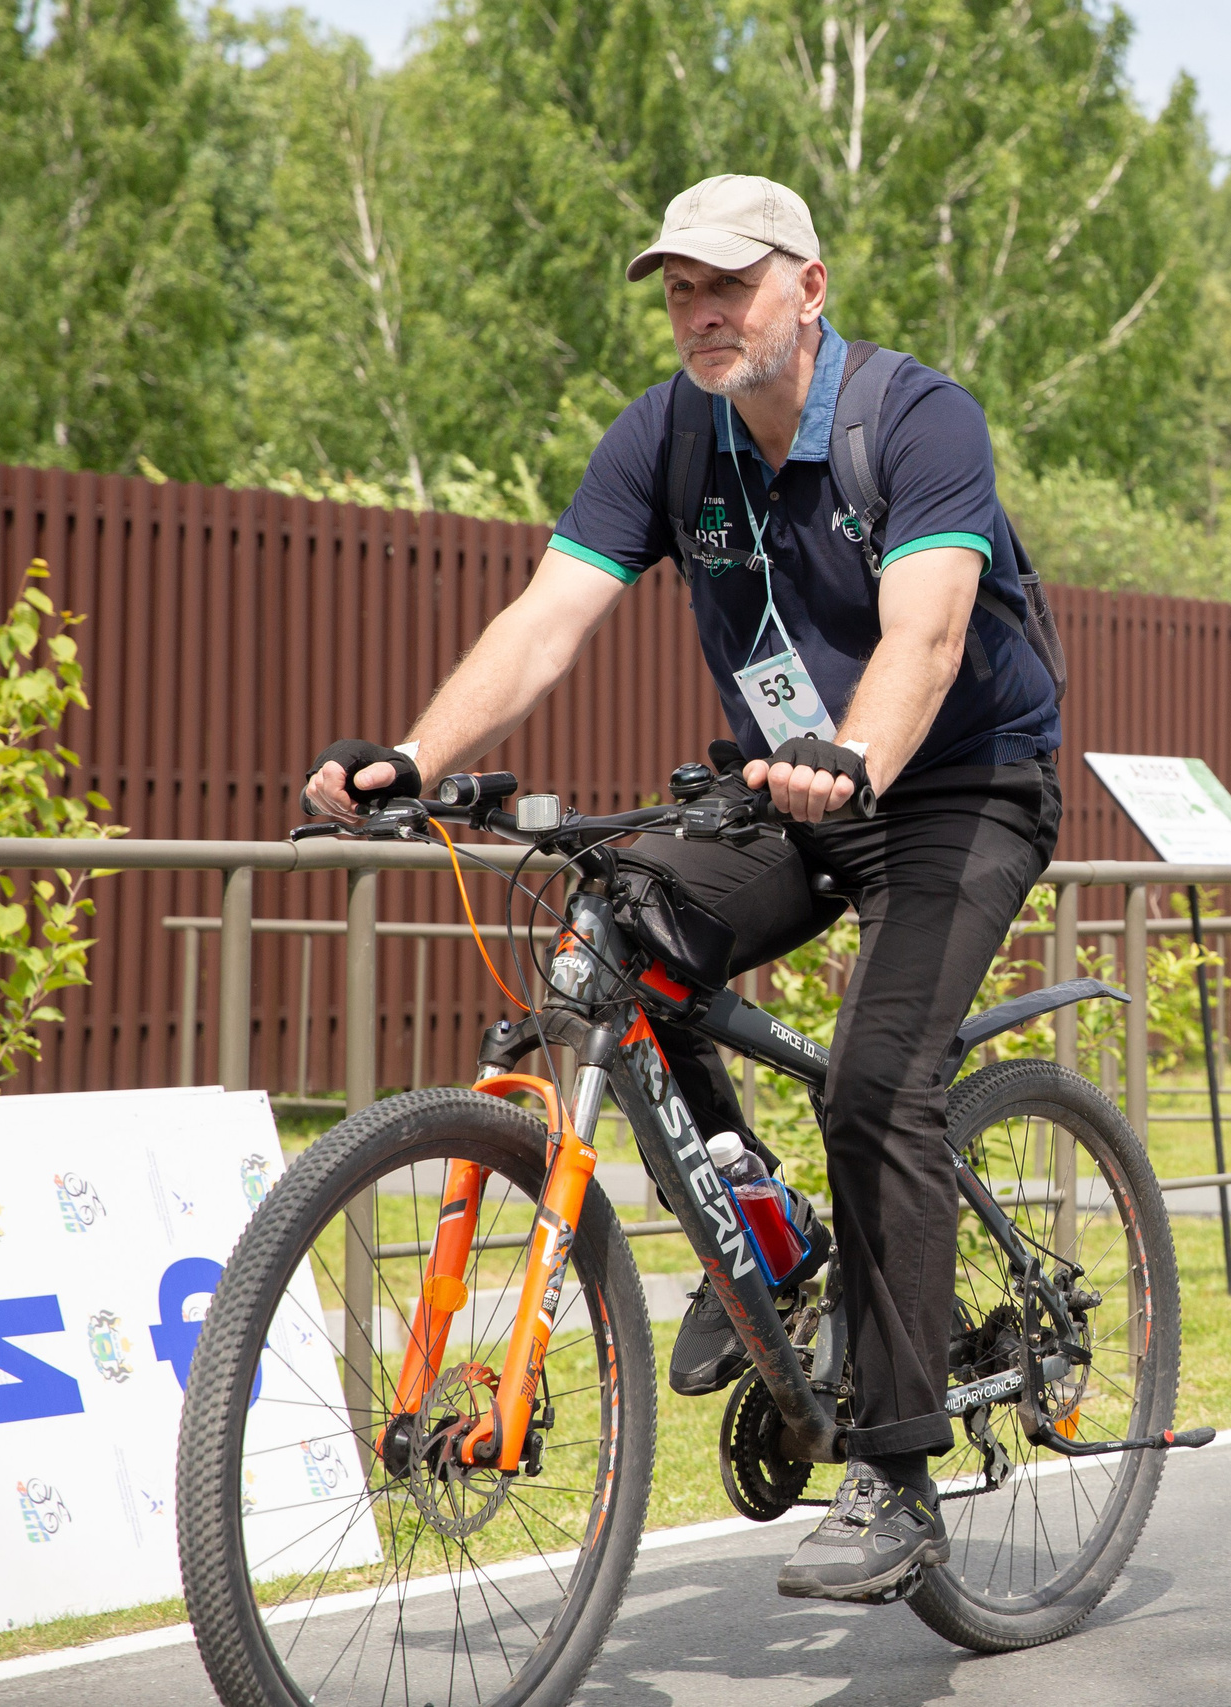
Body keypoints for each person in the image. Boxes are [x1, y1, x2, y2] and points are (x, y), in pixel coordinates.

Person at [302, 173, 1060, 1605]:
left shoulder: (917, 421)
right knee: (613, 936)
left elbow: (931, 633)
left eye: (731, 285)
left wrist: (858, 757)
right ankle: (759, 1249)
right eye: (680, 291)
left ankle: (897, 1477)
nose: (702, 314)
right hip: (786, 784)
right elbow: (547, 621)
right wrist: (413, 754)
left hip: (958, 785)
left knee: (874, 1078)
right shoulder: (668, 435)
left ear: (810, 289)